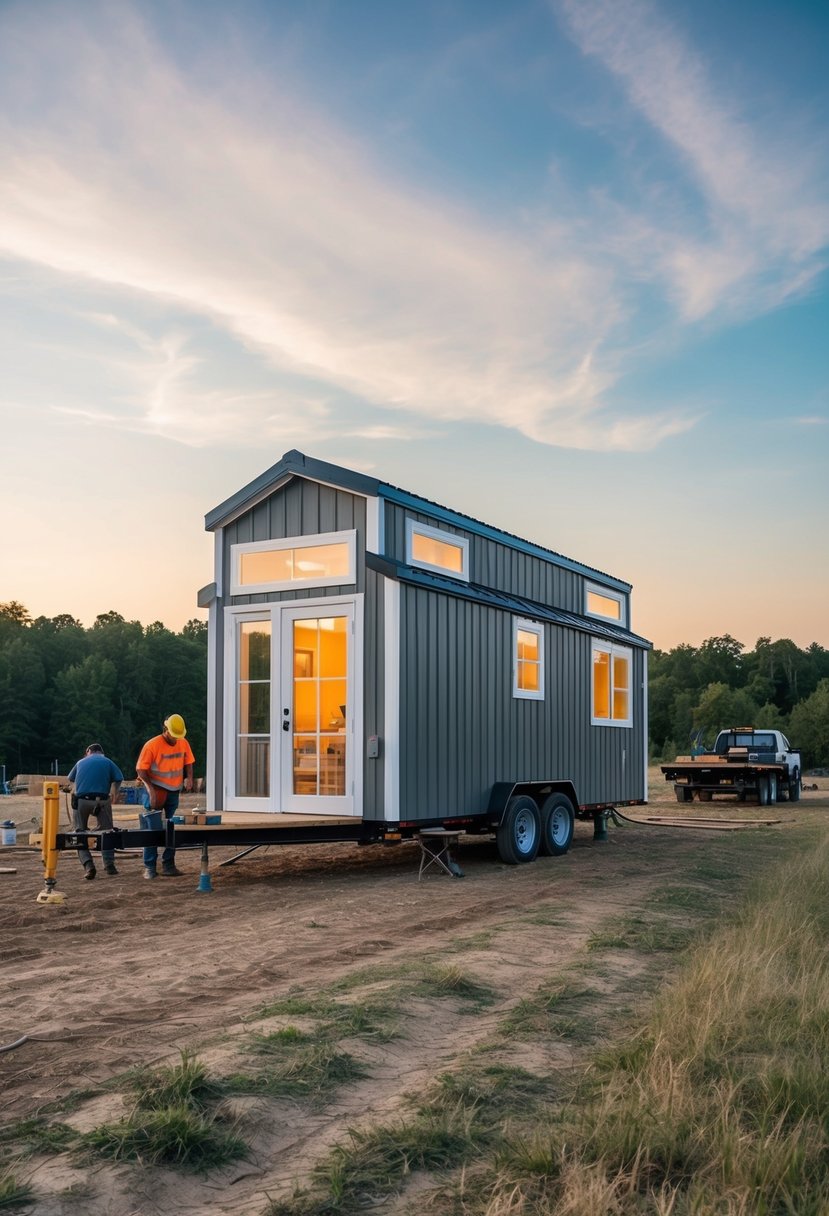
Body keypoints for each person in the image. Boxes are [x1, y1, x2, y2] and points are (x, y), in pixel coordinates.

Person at [136, 713, 195, 879]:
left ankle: (168, 865)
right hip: (156, 790)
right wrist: (150, 790)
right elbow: (141, 770)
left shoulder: (182, 742)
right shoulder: (152, 745)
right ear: (166, 730)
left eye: (179, 736)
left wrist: (189, 778)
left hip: (173, 791)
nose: (176, 740)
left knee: (172, 828)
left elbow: (188, 761)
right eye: (173, 736)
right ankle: (150, 867)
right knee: (151, 830)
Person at [67, 744, 123, 881]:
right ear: (101, 752)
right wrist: (114, 793)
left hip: (82, 801)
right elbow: (119, 778)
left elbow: (71, 778)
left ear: (88, 752)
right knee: (107, 832)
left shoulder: (80, 762)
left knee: (79, 833)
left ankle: (89, 866)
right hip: (102, 801)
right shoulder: (108, 761)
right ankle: (110, 866)